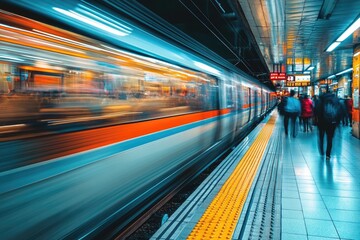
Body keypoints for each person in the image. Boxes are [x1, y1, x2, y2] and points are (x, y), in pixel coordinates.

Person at [315, 90, 342, 160]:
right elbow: (340, 111)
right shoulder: (335, 100)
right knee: (329, 139)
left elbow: (316, 111)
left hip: (321, 123)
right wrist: (337, 122)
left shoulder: (321, 100)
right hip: (332, 123)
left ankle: (321, 150)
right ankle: (328, 155)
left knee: (321, 137)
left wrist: (316, 121)